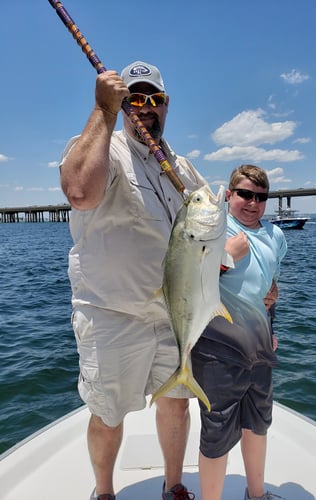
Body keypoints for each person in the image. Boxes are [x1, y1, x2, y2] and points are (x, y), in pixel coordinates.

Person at [59, 61, 206, 500]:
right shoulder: (107, 149)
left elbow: (218, 233)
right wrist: (102, 111)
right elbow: (80, 192)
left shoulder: (181, 168)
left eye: (153, 99)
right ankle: (104, 493)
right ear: (123, 105)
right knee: (108, 414)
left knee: (178, 405)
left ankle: (174, 485)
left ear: (166, 106)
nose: (145, 108)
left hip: (174, 315)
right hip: (112, 315)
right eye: (133, 99)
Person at [191, 165, 287, 500]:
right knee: (217, 432)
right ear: (228, 194)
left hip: (260, 349)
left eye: (261, 197)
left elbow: (267, 285)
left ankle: (257, 494)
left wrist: (271, 318)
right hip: (216, 349)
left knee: (258, 423)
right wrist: (226, 258)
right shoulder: (213, 229)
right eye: (245, 194)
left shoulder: (276, 236)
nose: (252, 203)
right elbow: (190, 284)